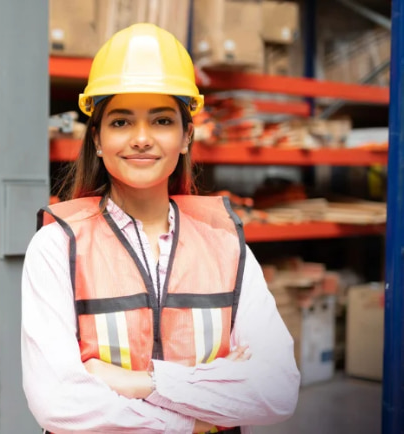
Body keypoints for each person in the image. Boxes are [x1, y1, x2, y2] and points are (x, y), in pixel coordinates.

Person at [21, 23, 300, 434]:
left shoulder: (225, 244)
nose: (141, 139)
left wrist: (143, 382)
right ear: (96, 138)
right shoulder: (57, 245)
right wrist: (194, 420)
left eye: (161, 121)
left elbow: (278, 392)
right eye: (120, 122)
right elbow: (59, 404)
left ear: (187, 135)